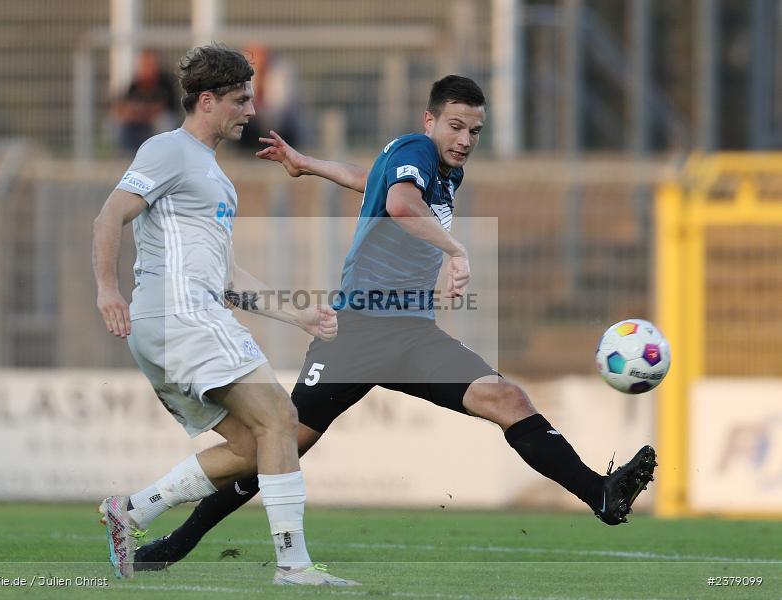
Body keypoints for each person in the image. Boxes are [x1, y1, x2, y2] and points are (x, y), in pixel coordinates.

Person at [128, 75, 658, 572]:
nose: (465, 139)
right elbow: (400, 203)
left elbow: (374, 183)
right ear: (429, 122)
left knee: (509, 400)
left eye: (475, 130)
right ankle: (175, 543)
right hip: (356, 332)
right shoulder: (415, 150)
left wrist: (306, 163)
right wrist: (455, 250)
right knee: (280, 443)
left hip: (411, 334)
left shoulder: (442, 169)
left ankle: (602, 495)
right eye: (455, 126)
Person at [91, 42, 357, 587]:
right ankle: (294, 566)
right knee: (281, 419)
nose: (251, 111)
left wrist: (297, 316)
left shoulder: (213, 176)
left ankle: (134, 510)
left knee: (255, 443)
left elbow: (230, 278)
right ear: (207, 101)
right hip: (178, 314)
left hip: (178, 320)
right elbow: (109, 215)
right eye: (240, 100)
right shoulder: (168, 150)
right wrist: (106, 290)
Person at [112, 50, 181, 153]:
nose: (146, 68)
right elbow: (123, 106)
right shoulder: (135, 85)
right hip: (139, 121)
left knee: (164, 122)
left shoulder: (165, 83)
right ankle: (127, 154)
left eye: (149, 64)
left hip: (157, 121)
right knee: (118, 123)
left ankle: (164, 154)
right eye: (143, 64)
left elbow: (168, 108)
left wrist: (145, 111)